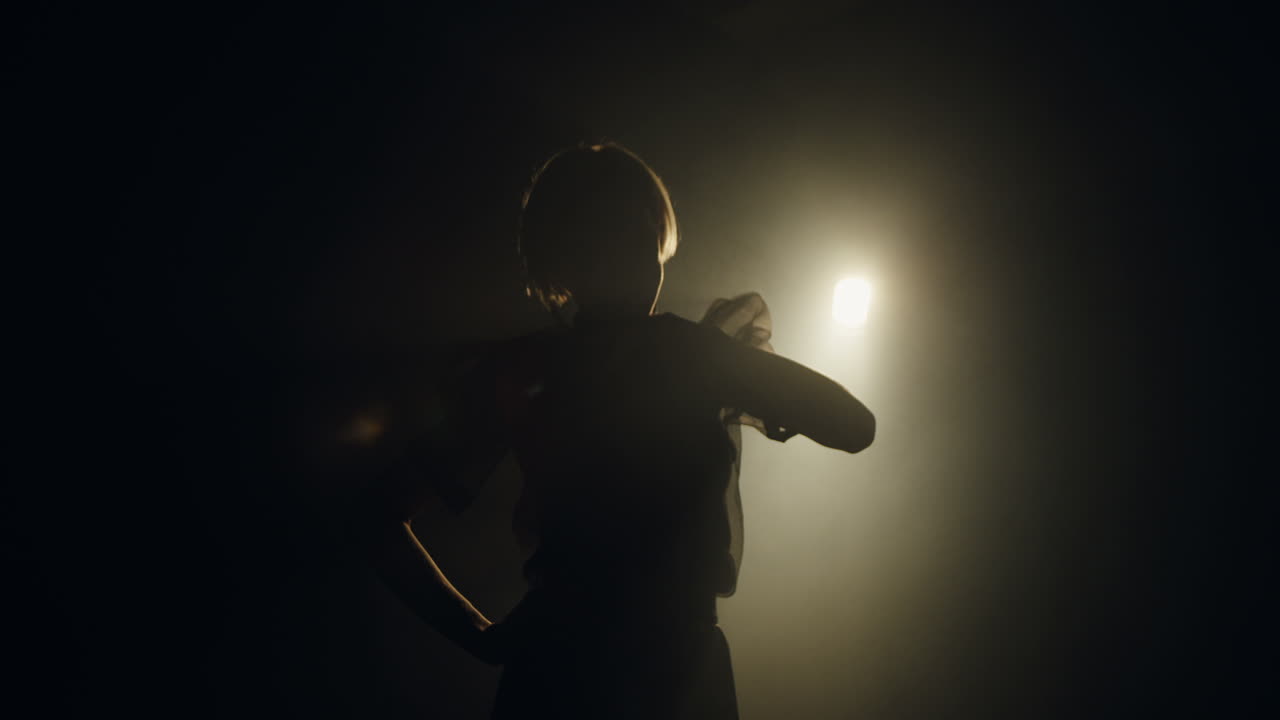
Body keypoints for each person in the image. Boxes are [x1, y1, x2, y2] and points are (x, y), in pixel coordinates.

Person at [348, 142, 875, 719]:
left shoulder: (530, 369)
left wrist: (482, 636)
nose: (636, 248)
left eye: (643, 230)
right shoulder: (680, 357)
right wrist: (722, 361)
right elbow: (853, 424)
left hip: (562, 674)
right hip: (671, 675)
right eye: (623, 229)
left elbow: (375, 516)